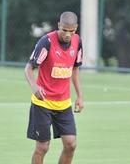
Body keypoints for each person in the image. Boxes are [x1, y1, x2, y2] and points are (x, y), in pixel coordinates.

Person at [24, 11, 84, 164]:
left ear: (76, 28)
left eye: (71, 31)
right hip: (43, 103)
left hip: (64, 104)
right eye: (64, 30)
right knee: (43, 147)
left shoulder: (77, 42)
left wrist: (80, 96)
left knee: (71, 144)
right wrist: (34, 86)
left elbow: (75, 69)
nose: (68, 34)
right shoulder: (47, 42)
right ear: (59, 26)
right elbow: (29, 68)